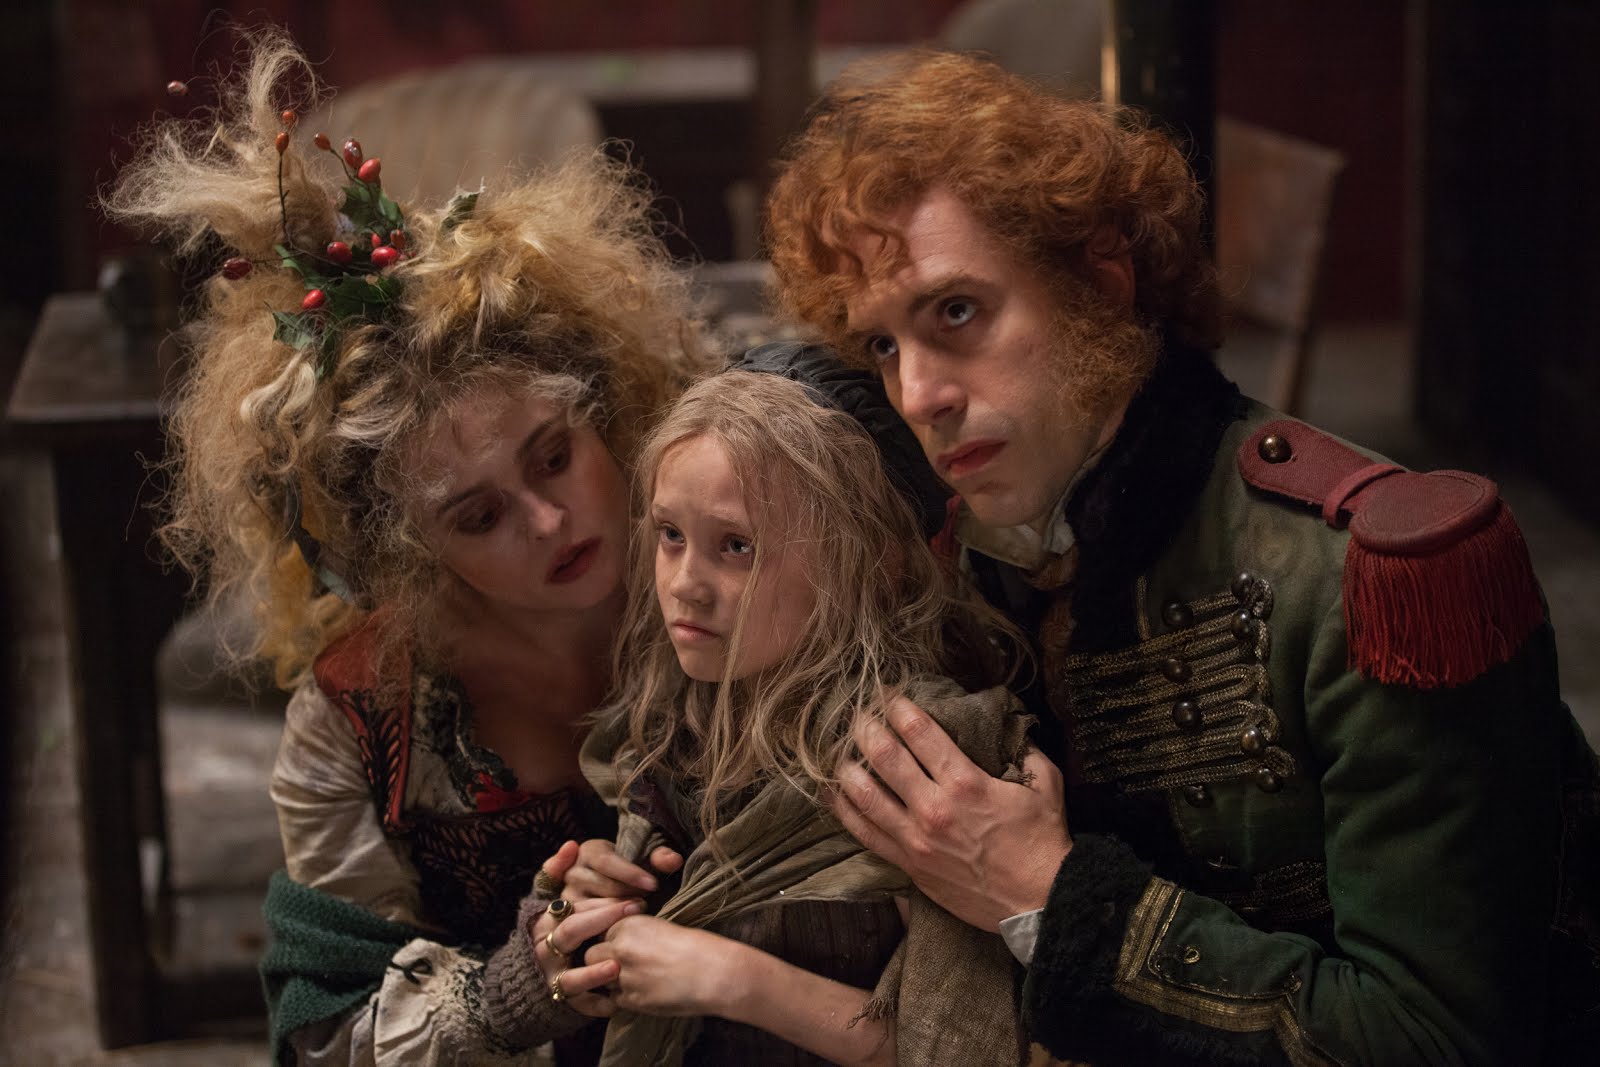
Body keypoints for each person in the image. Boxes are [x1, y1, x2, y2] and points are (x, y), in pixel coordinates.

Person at [763, 49, 1600, 1065]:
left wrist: (1049, 894)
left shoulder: (1378, 578)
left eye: (956, 311)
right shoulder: (971, 553)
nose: (918, 395)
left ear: (1099, 278)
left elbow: (1437, 1039)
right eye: (883, 345)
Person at [105, 31, 708, 1065]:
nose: (549, 521)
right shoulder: (359, 725)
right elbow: (328, 1035)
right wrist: (514, 989)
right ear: (409, 549)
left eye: (554, 456)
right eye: (478, 516)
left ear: (605, 412)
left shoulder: (736, 569)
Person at [573, 365, 1028, 1065]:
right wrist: (596, 908)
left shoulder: (919, 752)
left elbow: (959, 1045)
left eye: (737, 546)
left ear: (868, 562)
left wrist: (732, 978)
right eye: (670, 534)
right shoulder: (677, 718)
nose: (685, 585)